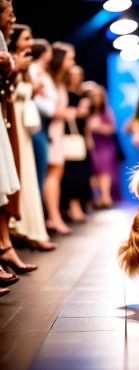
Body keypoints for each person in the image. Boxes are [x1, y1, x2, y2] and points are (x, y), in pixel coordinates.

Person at [8, 24, 56, 251]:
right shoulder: (14, 61)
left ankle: (30, 229)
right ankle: (18, 229)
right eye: (26, 38)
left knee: (29, 174)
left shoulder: (25, 64)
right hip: (14, 118)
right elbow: (10, 90)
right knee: (22, 173)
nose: (29, 43)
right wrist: (29, 87)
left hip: (25, 122)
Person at [0, 0, 37, 275]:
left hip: (8, 112)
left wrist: (14, 66)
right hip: (10, 114)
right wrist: (14, 64)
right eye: (10, 14)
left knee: (9, 180)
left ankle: (5, 244)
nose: (12, 19)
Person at [43, 42, 76, 234]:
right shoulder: (48, 79)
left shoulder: (59, 81)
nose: (72, 61)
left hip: (57, 131)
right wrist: (66, 112)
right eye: (69, 57)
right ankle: (53, 217)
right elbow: (49, 109)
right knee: (53, 174)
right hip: (51, 132)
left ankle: (53, 216)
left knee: (56, 174)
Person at [61, 65, 91, 222]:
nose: (76, 77)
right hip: (67, 137)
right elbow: (68, 114)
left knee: (81, 173)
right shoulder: (65, 94)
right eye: (72, 74)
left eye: (78, 74)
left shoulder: (82, 95)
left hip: (79, 138)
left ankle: (77, 206)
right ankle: (72, 207)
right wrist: (78, 111)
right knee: (71, 173)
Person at [86, 85, 118, 209]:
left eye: (99, 96)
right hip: (92, 145)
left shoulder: (107, 112)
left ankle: (106, 197)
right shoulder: (87, 112)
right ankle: (96, 198)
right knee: (94, 171)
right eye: (93, 96)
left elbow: (112, 128)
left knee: (105, 170)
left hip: (104, 144)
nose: (96, 99)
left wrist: (98, 127)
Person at [29, 38, 53, 194]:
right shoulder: (33, 70)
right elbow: (37, 98)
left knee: (41, 169)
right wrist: (54, 110)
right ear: (45, 53)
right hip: (36, 123)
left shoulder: (42, 72)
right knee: (38, 169)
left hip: (43, 124)